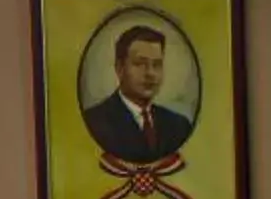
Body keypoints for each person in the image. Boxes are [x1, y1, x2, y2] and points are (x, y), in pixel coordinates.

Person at [83, 24, 195, 165]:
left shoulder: (179, 125)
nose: (150, 73)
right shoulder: (95, 122)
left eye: (157, 64)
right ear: (120, 68)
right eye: (140, 64)